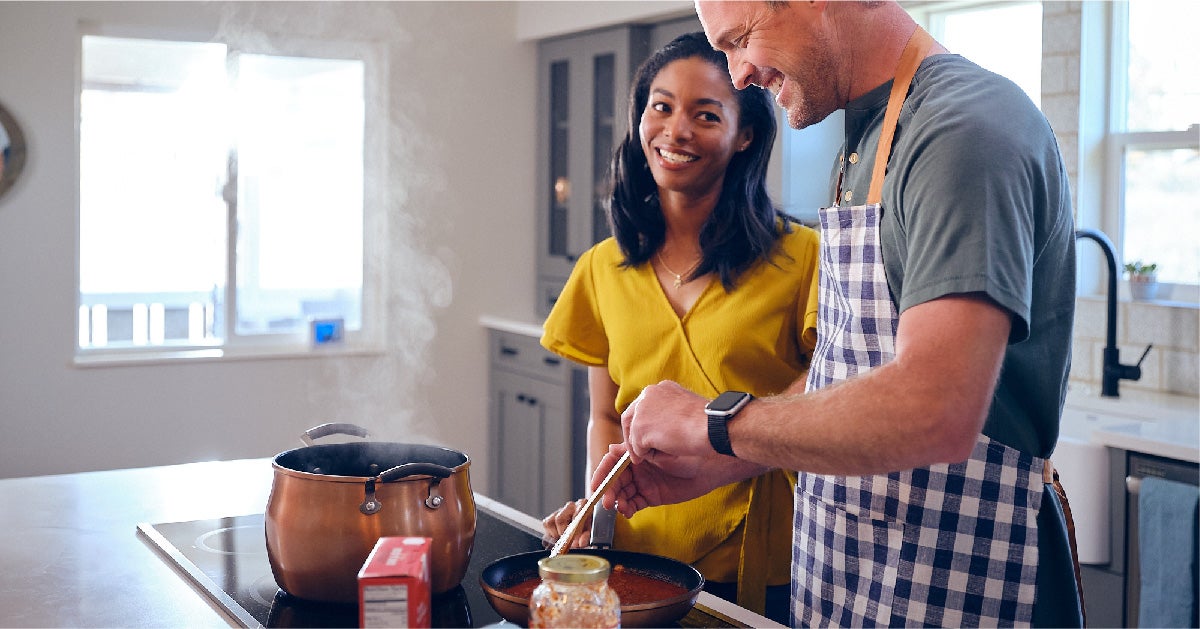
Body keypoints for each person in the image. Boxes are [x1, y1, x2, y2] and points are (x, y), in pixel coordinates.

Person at [595, 2, 1084, 627]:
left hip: (962, 582)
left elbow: (936, 409)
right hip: (855, 574)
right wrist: (724, 462)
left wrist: (715, 425)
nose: (739, 74)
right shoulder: (863, 142)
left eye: (742, 39)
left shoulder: (963, 129)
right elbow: (844, 368)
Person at [538, 31, 820, 624]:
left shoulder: (801, 259)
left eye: (705, 114)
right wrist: (593, 510)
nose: (676, 130)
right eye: (661, 106)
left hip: (766, 557)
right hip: (641, 555)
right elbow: (607, 416)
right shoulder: (601, 268)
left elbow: (830, 387)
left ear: (746, 135)